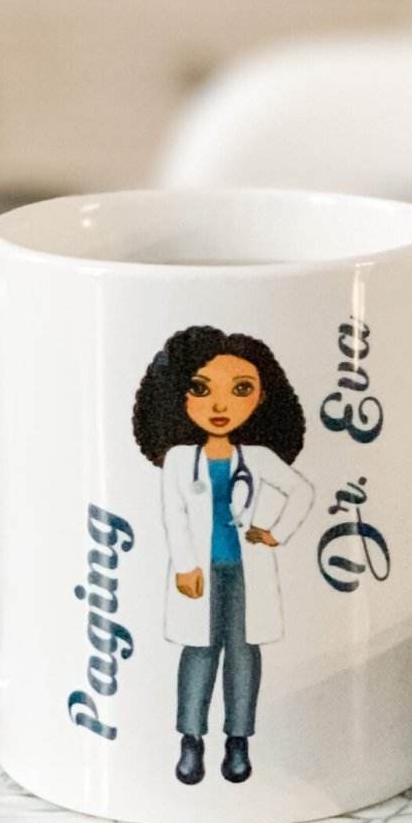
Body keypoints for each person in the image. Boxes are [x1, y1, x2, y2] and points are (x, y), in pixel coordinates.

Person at [132, 325, 314, 785]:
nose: (219, 406)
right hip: (200, 572)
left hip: (245, 572)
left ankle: (238, 741)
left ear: (261, 399)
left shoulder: (258, 458)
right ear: (177, 395)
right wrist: (185, 565)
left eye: (240, 390)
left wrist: (274, 533)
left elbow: (301, 492)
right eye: (201, 389)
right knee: (199, 651)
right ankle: (191, 739)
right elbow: (174, 514)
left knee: (243, 654)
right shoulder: (179, 459)